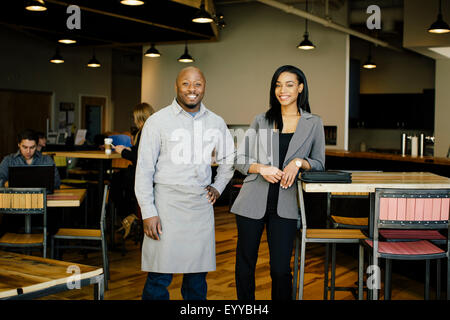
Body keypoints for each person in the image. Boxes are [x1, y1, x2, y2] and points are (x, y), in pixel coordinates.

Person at [135, 66, 235, 300]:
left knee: (197, 279)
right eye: (186, 84)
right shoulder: (157, 121)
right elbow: (144, 171)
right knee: (159, 276)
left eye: (197, 84)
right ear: (177, 87)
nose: (192, 89)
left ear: (204, 87)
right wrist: (148, 212)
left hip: (200, 207)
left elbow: (229, 159)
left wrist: (218, 186)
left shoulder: (216, 122)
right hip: (165, 205)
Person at [230, 65, 325, 300]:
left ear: (300, 87)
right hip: (251, 202)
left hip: (287, 205)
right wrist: (261, 168)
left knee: (281, 270)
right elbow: (239, 160)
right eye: (278, 84)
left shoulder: (313, 123)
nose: (283, 90)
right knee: (245, 266)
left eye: (289, 84)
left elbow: (320, 163)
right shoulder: (261, 120)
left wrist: (300, 162)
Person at [113, 102, 155, 239]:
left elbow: (140, 158)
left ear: (140, 117)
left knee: (115, 182)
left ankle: (128, 216)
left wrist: (124, 152)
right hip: (148, 174)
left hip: (141, 175)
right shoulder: (151, 130)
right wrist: (130, 150)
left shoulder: (144, 132)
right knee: (119, 180)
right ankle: (130, 216)